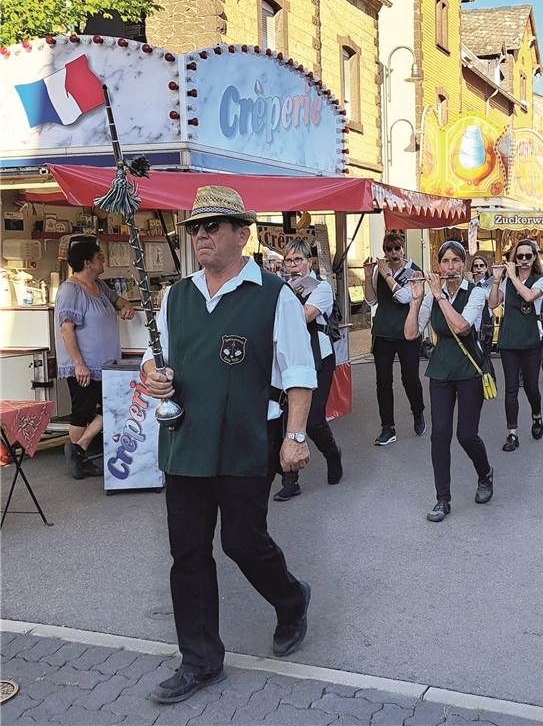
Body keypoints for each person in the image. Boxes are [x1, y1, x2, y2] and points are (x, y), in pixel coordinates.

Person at [142, 186, 314, 704]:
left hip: (245, 440)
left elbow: (299, 372)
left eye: (213, 226)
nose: (201, 236)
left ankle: (291, 598)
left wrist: (296, 436)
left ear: (243, 233)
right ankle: (199, 660)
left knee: (242, 541)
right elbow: (155, 359)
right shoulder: (177, 296)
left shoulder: (272, 294)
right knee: (188, 553)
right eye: (195, 227)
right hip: (186, 442)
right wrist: (155, 376)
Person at [404, 240, 493, 522]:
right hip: (441, 370)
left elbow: (462, 326)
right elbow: (410, 335)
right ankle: (442, 499)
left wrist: (438, 296)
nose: (450, 267)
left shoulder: (476, 293)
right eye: (445, 262)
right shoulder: (432, 295)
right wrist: (417, 299)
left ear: (464, 265)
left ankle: (485, 473)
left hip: (469, 369)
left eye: (456, 261)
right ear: (438, 265)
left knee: (466, 434)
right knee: (439, 434)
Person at [55, 235, 135, 479]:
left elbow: (117, 300)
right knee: (83, 410)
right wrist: (79, 364)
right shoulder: (70, 290)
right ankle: (79, 458)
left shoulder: (100, 286)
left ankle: (78, 450)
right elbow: (66, 329)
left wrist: (125, 306)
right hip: (85, 365)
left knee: (116, 403)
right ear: (88, 262)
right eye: (99, 257)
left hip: (105, 364)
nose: (103, 261)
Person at [273, 238, 343, 501]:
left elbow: (303, 316)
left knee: (313, 419)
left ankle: (332, 452)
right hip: (289, 360)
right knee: (286, 417)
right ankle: (290, 480)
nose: (293, 265)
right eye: (289, 261)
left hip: (319, 359)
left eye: (298, 260)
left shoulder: (321, 288)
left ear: (308, 262)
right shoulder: (282, 288)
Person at [363, 232, 425, 446]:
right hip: (383, 332)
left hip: (407, 332)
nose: (393, 253)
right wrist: (368, 275)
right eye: (389, 250)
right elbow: (371, 301)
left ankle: (418, 411)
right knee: (383, 381)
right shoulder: (380, 271)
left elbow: (404, 297)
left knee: (409, 378)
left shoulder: (414, 271)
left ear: (403, 249)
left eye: (397, 248)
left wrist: (387, 275)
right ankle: (387, 427)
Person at [488, 239, 543, 451]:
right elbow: (493, 303)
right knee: (511, 388)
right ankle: (512, 433)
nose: (523, 260)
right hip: (509, 341)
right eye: (519, 256)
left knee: (531, 387)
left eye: (527, 256)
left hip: (531, 340)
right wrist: (496, 281)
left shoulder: (541, 279)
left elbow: (529, 296)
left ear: (534, 258)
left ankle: (537, 415)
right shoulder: (507, 281)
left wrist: (512, 276)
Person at [469, 254, 495, 356]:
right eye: (476, 266)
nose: (479, 268)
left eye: (481, 265)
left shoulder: (490, 283)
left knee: (485, 355)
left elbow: (490, 298)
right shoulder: (468, 284)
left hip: (485, 321)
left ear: (486, 268)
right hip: (471, 320)